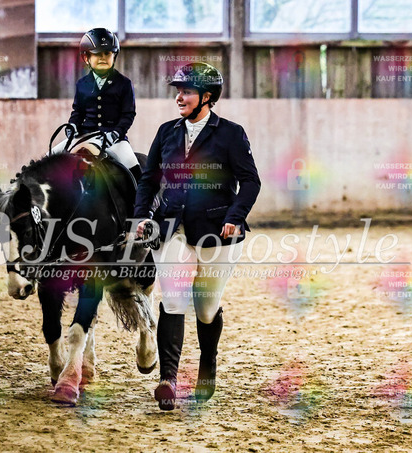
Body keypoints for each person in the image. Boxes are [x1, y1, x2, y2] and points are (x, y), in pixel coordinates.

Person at [133, 62, 261, 410]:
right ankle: (168, 380)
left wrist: (235, 217)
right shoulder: (167, 132)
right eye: (178, 91)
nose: (179, 97)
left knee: (206, 309)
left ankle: (208, 361)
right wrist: (142, 215)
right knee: (173, 299)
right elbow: (149, 180)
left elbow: (251, 181)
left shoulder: (231, 134)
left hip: (216, 232)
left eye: (186, 91)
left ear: (206, 97)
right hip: (171, 228)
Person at [52, 27, 142, 183]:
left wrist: (116, 133)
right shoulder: (82, 84)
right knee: (50, 157)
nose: (103, 58)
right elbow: (78, 112)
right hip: (85, 135)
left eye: (107, 54)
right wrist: (72, 126)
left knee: (133, 166)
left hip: (114, 139)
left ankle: (146, 197)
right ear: (86, 57)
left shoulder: (124, 83)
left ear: (114, 56)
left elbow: (128, 114)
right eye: (97, 54)